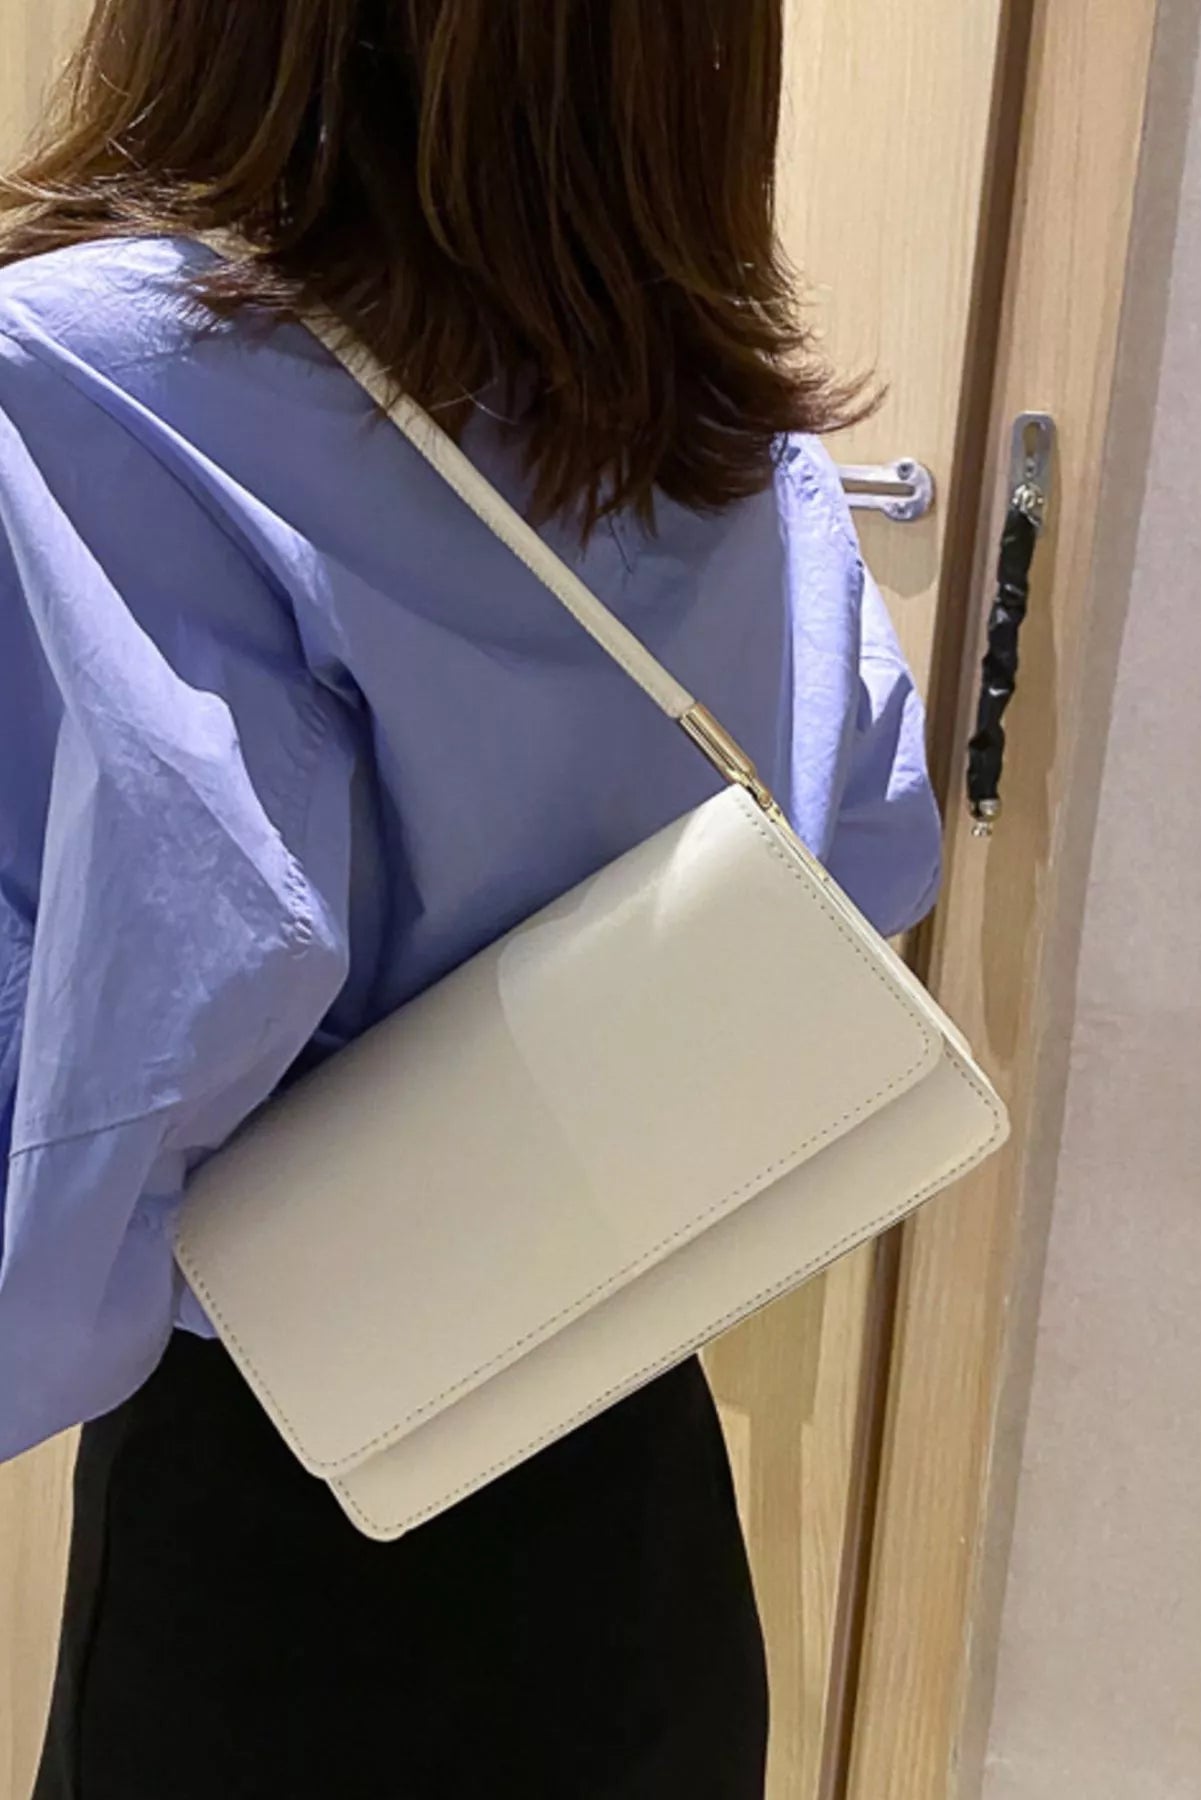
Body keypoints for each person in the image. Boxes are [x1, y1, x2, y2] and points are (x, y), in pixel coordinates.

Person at [0, 2, 942, 1795]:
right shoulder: (718, 420)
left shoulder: (76, 378)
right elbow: (866, 857)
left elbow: (117, 1065)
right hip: (637, 1502)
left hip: (280, 1537)